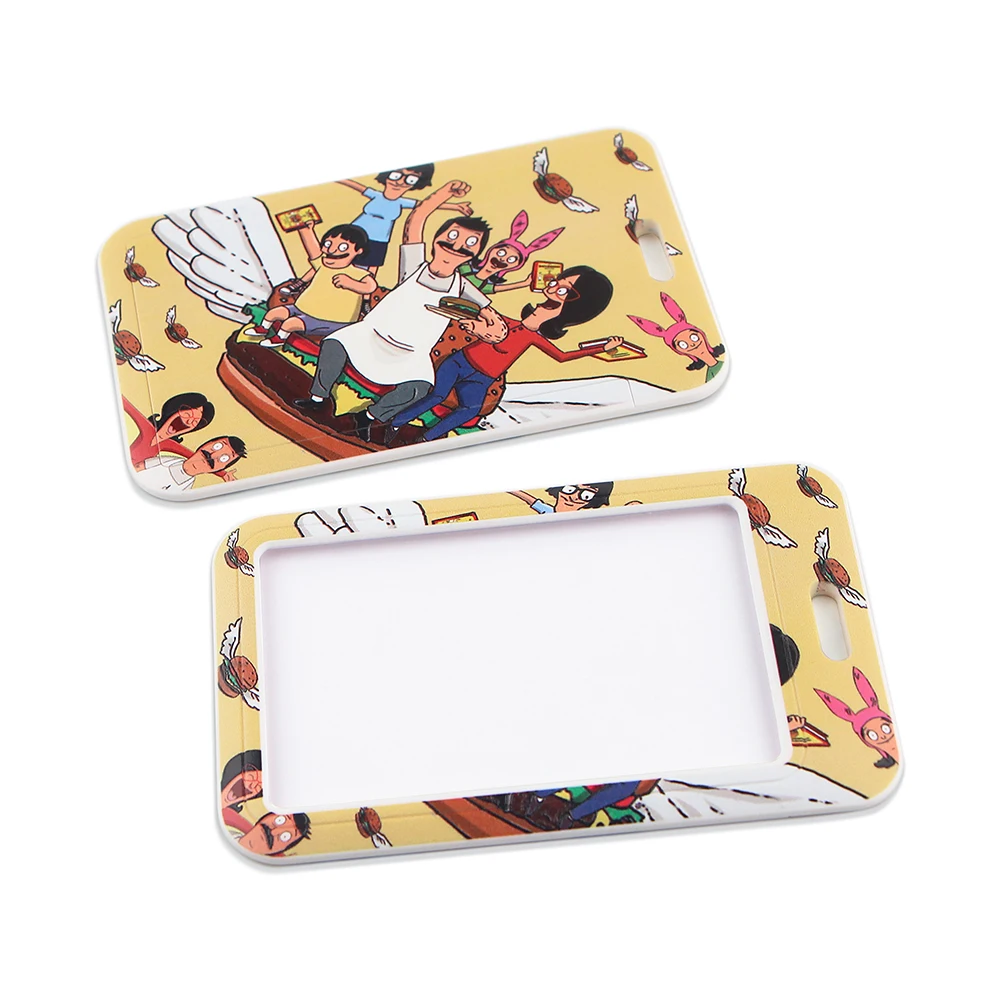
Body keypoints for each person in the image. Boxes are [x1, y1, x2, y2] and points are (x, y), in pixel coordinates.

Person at [294, 180, 500, 440]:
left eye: (470, 242)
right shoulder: (414, 264)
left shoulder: (463, 287)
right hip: (371, 336)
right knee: (334, 344)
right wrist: (444, 193)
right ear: (437, 239)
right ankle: (318, 398)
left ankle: (368, 417)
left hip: (410, 354)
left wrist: (485, 327)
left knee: (420, 387)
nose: (457, 245)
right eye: (452, 236)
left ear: (476, 252)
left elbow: (494, 323)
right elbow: (417, 219)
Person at [383, 266, 619, 445]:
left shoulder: (533, 337)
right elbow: (475, 312)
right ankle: (395, 423)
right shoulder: (505, 322)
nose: (553, 285)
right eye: (556, 280)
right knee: (437, 394)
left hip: (483, 378)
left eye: (564, 288)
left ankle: (427, 438)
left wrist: (600, 348)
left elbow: (562, 356)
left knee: (471, 408)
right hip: (461, 362)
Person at [337, 164, 471, 274]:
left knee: (371, 267)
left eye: (410, 180)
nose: (400, 182)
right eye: (396, 175)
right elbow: (353, 184)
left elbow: (426, 205)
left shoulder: (402, 202)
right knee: (340, 256)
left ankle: (366, 294)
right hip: (354, 233)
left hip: (380, 239)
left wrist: (455, 206)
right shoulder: (375, 194)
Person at [256, 223, 376, 346]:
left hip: (332, 319)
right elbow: (313, 251)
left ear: (358, 251)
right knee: (274, 313)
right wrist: (306, 230)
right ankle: (262, 329)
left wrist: (350, 283)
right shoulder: (322, 264)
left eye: (342, 247)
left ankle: (279, 340)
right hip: (302, 309)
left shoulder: (357, 273)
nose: (331, 250)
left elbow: (370, 286)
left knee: (289, 324)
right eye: (328, 244)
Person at [121, 392, 233, 479]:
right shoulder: (147, 427)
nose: (189, 421)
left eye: (195, 422)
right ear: (175, 409)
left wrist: (223, 474)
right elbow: (126, 404)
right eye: (188, 414)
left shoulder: (170, 444)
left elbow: (196, 456)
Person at [455, 209, 563, 295]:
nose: (502, 259)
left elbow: (494, 289)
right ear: (492, 250)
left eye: (511, 259)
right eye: (501, 252)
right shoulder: (465, 267)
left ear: (516, 266)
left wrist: (525, 283)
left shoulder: (487, 284)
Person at [135, 436, 246, 494]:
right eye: (217, 446)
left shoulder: (186, 489)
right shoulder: (167, 461)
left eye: (224, 458)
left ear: (222, 468)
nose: (213, 455)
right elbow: (138, 466)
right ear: (206, 444)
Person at [509, 482, 615, 514]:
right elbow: (529, 499)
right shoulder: (547, 510)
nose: (573, 497)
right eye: (570, 489)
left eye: (586, 495)